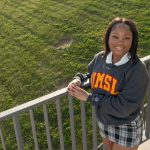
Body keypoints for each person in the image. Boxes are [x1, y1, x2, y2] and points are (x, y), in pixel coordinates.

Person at [67, 17, 149, 150]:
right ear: (108, 38)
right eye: (115, 36)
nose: (120, 43)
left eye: (126, 38)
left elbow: (123, 107)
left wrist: (89, 97)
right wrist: (79, 79)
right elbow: (91, 75)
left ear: (133, 40)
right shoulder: (100, 57)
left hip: (126, 124)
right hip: (104, 121)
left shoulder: (137, 69)